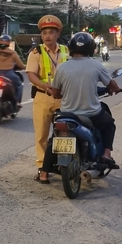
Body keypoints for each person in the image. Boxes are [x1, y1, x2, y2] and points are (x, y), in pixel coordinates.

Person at [50, 32, 122, 168]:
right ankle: (106, 155)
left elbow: (55, 94)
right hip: (91, 113)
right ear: (91, 48)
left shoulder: (62, 67)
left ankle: (46, 169)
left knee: (53, 136)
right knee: (109, 124)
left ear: (71, 48)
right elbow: (112, 85)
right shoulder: (96, 65)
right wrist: (116, 89)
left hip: (67, 113)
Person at [26, 15, 69, 184]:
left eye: (51, 32)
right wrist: (46, 86)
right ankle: (43, 166)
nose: (48, 36)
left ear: (58, 34)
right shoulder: (36, 52)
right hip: (43, 97)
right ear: (41, 36)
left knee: (64, 133)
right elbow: (31, 75)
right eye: (45, 33)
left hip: (64, 99)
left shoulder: (66, 51)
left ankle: (64, 163)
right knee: (42, 135)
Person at [0, 34, 26, 106]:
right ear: (9, 43)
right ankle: (16, 102)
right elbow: (20, 65)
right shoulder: (13, 53)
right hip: (9, 74)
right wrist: (26, 67)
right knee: (19, 85)